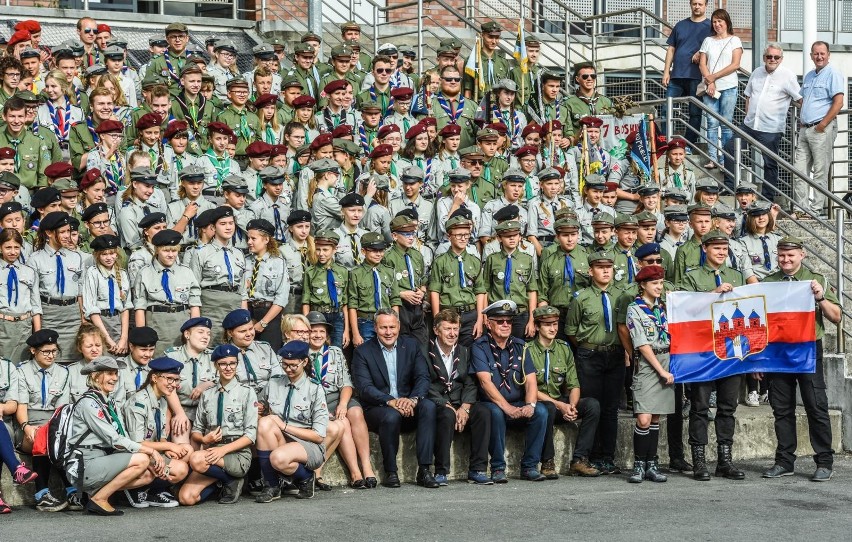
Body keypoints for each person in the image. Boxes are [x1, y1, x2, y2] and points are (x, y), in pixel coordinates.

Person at [760, 236, 840, 482]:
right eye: (782, 255)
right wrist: (760, 360)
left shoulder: (817, 279)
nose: (785, 260)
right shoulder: (768, 282)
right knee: (781, 409)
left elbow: (836, 317)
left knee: (816, 406)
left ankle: (825, 461)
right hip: (777, 352)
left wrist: (820, 297)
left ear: (802, 255)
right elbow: (759, 324)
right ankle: (784, 461)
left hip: (807, 350)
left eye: (791, 255)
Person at [679, 229, 746, 481]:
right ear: (705, 248)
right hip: (703, 350)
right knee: (699, 407)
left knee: (727, 407)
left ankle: (724, 461)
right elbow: (685, 308)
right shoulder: (693, 276)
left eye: (724, 248)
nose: (721, 252)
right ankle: (699, 461)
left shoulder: (736, 275)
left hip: (732, 349)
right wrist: (713, 294)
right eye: (716, 248)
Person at [351, 308, 437, 488]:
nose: (388, 332)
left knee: (428, 406)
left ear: (398, 326)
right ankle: (391, 472)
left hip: (408, 404)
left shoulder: (411, 345)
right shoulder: (363, 351)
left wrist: (413, 399)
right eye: (383, 327)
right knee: (391, 415)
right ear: (375, 328)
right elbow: (364, 387)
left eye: (392, 327)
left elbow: (423, 377)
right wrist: (391, 401)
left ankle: (425, 470)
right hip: (378, 409)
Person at [67, 356, 159, 516]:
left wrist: (145, 454)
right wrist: (150, 451)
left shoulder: (108, 402)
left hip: (102, 458)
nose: (115, 378)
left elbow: (122, 435)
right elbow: (114, 440)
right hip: (86, 464)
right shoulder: (89, 403)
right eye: (110, 373)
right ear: (96, 375)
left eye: (116, 374)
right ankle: (99, 499)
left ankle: (95, 495)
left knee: (147, 475)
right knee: (142, 460)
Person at [470, 300, 547, 483]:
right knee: (495, 413)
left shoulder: (521, 346)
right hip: (493, 403)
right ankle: (498, 467)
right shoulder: (479, 347)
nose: (505, 325)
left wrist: (530, 404)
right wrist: (507, 408)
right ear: (488, 323)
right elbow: (485, 383)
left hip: (517, 402)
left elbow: (530, 381)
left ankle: (529, 466)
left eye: (509, 321)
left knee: (541, 411)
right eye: (500, 321)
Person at [565, 252, 624, 475]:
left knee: (611, 409)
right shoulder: (581, 298)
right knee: (594, 406)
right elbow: (571, 331)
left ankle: (607, 457)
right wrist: (588, 347)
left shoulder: (620, 295)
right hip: (590, 355)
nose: (606, 271)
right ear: (591, 271)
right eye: (600, 267)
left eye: (609, 267)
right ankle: (590, 456)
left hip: (615, 354)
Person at [528, 306, 601, 479]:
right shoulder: (527, 350)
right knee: (547, 409)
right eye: (547, 325)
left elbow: (574, 384)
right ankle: (547, 461)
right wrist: (560, 405)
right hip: (539, 403)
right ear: (537, 327)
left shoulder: (564, 348)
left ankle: (579, 459)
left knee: (592, 405)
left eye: (555, 324)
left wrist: (571, 406)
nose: (553, 328)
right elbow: (530, 389)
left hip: (560, 402)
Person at [180, 344, 258, 505]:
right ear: (215, 365)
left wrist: (222, 450)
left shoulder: (247, 392)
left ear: (237, 364)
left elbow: (250, 436)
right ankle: (225, 481)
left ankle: (233, 479)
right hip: (212, 452)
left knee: (196, 459)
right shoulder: (208, 394)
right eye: (223, 364)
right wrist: (204, 439)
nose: (228, 368)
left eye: (232, 363)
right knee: (186, 498)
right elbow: (196, 430)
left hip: (236, 453)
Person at [306, 311, 376, 489]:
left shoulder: (335, 352)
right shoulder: (302, 355)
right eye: (313, 331)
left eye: (321, 331)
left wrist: (343, 404)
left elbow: (346, 383)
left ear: (327, 335)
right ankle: (355, 473)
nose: (317, 335)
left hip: (338, 396)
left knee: (355, 412)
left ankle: (367, 467)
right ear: (306, 333)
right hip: (315, 401)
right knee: (342, 423)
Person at [255, 340, 330, 502]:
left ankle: (306, 478)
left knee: (278, 458)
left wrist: (284, 426)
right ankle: (272, 486)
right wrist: (258, 411)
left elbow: (318, 436)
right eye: (285, 364)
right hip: (280, 439)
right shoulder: (273, 383)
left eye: (293, 365)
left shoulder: (315, 389)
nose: (288, 369)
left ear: (304, 361)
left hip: (308, 444)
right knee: (264, 423)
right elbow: (257, 406)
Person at [722, 44, 800, 198]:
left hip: (771, 128)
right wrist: (747, 116)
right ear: (764, 57)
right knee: (730, 147)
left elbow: (800, 98)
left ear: (781, 59)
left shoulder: (788, 76)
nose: (772, 59)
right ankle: (730, 186)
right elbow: (748, 95)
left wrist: (805, 119)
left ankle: (768, 197)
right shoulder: (757, 72)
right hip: (749, 125)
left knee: (770, 163)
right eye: (769, 56)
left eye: (776, 57)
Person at [12, 329, 75, 512]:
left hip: (53, 423)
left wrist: (55, 429)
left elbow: (61, 409)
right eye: (45, 351)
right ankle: (44, 494)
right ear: (33, 351)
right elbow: (21, 406)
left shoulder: (63, 373)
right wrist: (26, 427)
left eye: (54, 351)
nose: (51, 355)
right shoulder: (22, 371)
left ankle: (69, 492)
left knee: (51, 436)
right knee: (41, 436)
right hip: (28, 426)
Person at [426, 309, 491, 485]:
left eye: (455, 329)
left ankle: (477, 469)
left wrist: (465, 407)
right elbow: (425, 383)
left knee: (483, 413)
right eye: (447, 329)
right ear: (436, 330)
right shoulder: (425, 352)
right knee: (446, 416)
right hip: (439, 403)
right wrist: (444, 404)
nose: (452, 334)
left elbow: (470, 383)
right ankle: (441, 471)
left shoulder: (465, 352)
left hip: (461, 402)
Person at [625, 265, 674, 483]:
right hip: (648, 364)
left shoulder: (663, 308)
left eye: (661, 283)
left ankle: (651, 464)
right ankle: (638, 465)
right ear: (643, 285)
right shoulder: (635, 309)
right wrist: (662, 370)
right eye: (654, 283)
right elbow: (642, 344)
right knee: (643, 418)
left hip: (666, 358)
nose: (659, 287)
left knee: (655, 417)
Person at [122, 356, 191, 507]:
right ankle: (136, 489)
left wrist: (167, 447)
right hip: (135, 454)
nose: (174, 385)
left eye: (176, 380)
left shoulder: (162, 400)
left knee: (186, 450)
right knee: (181, 469)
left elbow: (160, 436)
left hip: (151, 450)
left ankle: (152, 490)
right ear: (154, 377)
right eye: (169, 379)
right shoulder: (138, 402)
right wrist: (169, 447)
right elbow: (137, 442)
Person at [792, 41, 845, 218]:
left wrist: (822, 124)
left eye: (822, 53)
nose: (819, 57)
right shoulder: (808, 76)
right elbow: (802, 99)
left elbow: (839, 102)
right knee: (799, 170)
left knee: (820, 172)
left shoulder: (833, 74)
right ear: (811, 55)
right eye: (816, 54)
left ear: (828, 54)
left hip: (821, 129)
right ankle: (801, 209)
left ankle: (814, 211)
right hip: (805, 129)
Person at [29, 211, 92, 360]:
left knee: (74, 358)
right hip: (49, 313)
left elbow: (80, 291)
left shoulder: (76, 257)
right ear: (49, 233)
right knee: (50, 358)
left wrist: (83, 318)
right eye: (62, 232)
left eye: (69, 231)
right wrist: (38, 329)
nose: (67, 236)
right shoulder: (36, 259)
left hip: (73, 315)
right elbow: (34, 296)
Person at [133, 229, 202, 354]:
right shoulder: (145, 273)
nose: (171, 255)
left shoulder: (186, 272)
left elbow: (194, 304)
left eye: (174, 250)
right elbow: (140, 307)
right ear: (157, 250)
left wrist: (194, 331)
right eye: (166, 250)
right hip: (157, 324)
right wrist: (142, 336)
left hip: (182, 323)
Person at [662, 0, 712, 146]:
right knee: (666, 110)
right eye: (694, 3)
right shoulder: (680, 25)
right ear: (690, 5)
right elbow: (671, 49)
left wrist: (702, 53)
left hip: (696, 77)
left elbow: (716, 47)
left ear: (705, 5)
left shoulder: (710, 26)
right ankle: (668, 142)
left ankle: (689, 144)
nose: (697, 6)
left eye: (700, 4)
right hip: (676, 75)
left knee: (695, 113)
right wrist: (666, 72)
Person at [698, 9, 742, 168]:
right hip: (710, 88)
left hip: (729, 86)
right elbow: (702, 63)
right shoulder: (708, 40)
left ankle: (726, 161)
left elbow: (735, 65)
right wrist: (710, 82)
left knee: (726, 124)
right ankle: (713, 158)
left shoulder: (735, 40)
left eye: (720, 21)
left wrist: (713, 78)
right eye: (714, 22)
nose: (717, 24)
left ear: (726, 22)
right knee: (711, 122)